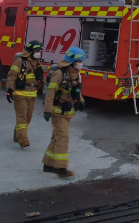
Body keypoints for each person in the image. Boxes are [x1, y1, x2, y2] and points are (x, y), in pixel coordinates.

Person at [42, 47, 85, 177]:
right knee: (63, 138)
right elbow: (50, 93)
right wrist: (47, 110)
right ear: (72, 61)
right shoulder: (59, 74)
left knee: (56, 137)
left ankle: (48, 164)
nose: (81, 63)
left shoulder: (76, 74)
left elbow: (76, 90)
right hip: (58, 112)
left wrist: (81, 100)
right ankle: (61, 168)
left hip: (69, 112)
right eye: (79, 61)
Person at [6, 40, 44, 148]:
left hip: (32, 95)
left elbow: (40, 78)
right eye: (36, 50)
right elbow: (11, 75)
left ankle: (17, 135)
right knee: (21, 117)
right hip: (20, 94)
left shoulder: (37, 63)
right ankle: (23, 139)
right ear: (31, 51)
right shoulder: (20, 61)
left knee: (28, 118)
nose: (38, 53)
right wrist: (9, 90)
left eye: (39, 51)